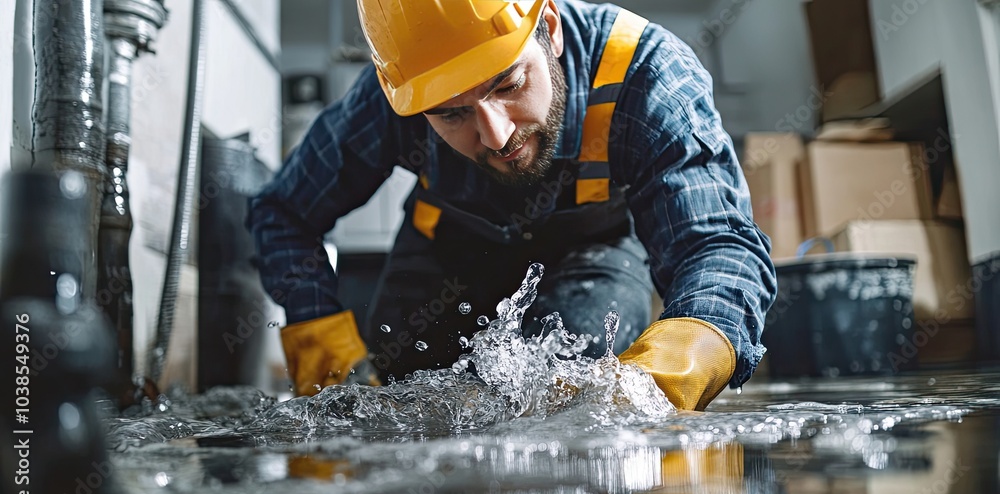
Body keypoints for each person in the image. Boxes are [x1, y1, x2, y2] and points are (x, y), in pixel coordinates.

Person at [248, 0, 776, 410]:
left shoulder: (647, 75)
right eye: (452, 115)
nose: (496, 136)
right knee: (394, 410)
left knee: (574, 397)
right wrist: (324, 348)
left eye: (509, 84)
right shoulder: (401, 93)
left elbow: (718, 246)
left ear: (550, 25)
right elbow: (283, 215)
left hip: (590, 258)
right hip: (442, 259)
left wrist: (682, 359)